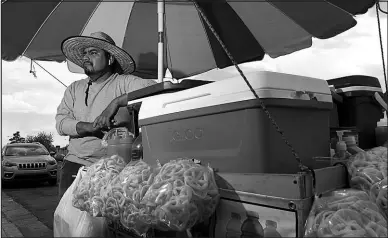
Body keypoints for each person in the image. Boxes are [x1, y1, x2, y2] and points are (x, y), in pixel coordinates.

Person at [55, 31, 156, 200]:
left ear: (110, 59)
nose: (86, 57)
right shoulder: (74, 88)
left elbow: (156, 89)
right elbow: (61, 123)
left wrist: (116, 102)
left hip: (115, 169)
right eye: (85, 53)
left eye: (93, 52)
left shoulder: (124, 82)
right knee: (69, 223)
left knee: (107, 225)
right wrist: (90, 127)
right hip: (74, 166)